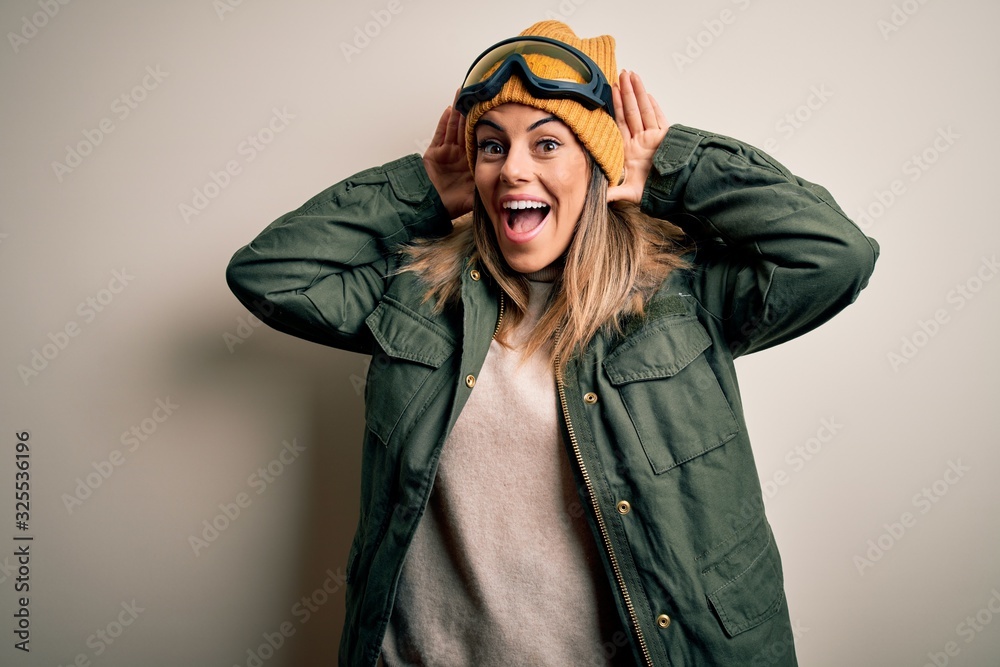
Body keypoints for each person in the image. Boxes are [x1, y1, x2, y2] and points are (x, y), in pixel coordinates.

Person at [226, 19, 878, 667]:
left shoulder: (682, 294)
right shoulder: (416, 293)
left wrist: (675, 168)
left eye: (546, 144)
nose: (513, 168)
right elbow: (268, 274)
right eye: (492, 145)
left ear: (595, 163)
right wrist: (421, 190)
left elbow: (836, 255)